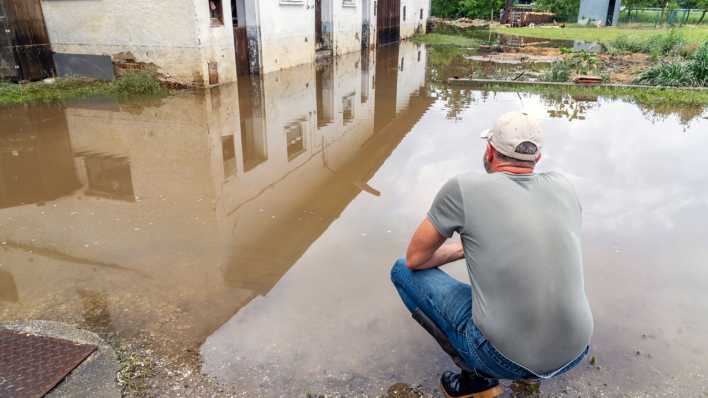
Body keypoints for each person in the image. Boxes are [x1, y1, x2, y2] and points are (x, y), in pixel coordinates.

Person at [390, 112, 593, 398]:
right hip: (575, 350)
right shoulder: (565, 187)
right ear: (537, 158)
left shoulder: (463, 188)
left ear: (489, 151)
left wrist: (462, 249)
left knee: (401, 271)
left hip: (501, 357)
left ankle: (477, 381)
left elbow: (416, 258)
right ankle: (527, 369)